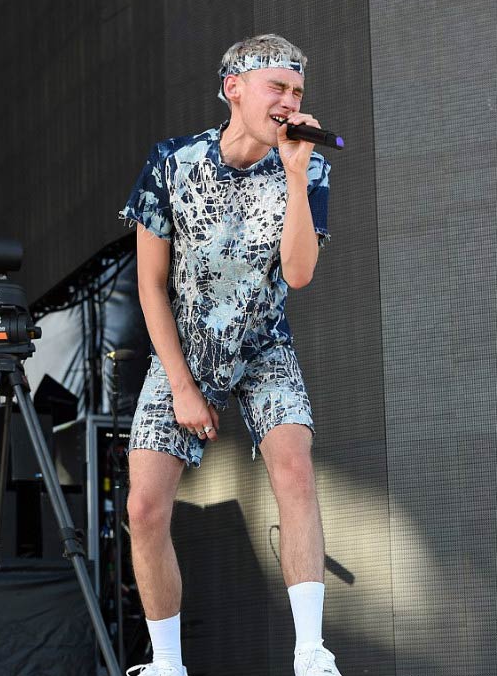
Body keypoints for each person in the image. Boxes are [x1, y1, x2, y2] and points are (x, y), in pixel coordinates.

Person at [119, 34, 342, 676]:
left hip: (263, 342)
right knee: (143, 506)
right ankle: (165, 662)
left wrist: (297, 177)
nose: (289, 102)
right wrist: (184, 388)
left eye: (298, 92)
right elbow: (150, 283)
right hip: (183, 346)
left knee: (295, 468)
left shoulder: (310, 166)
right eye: (278, 88)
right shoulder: (172, 161)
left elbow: (299, 275)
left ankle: (310, 652)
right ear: (234, 89)